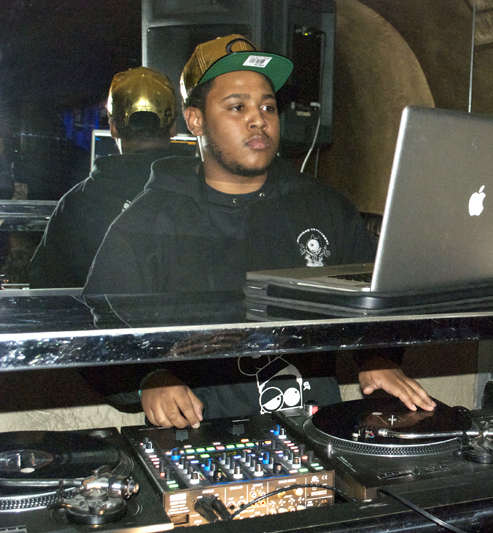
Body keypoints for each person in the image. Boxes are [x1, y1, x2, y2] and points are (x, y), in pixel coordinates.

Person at [83, 35, 435, 428]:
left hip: (318, 432)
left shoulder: (324, 207)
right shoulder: (147, 223)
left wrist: (377, 358)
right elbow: (96, 329)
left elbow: (377, 299)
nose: (259, 120)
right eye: (237, 107)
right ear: (195, 120)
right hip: (203, 434)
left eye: (268, 106)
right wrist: (149, 379)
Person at [29, 67, 179, 288]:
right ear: (174, 127)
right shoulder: (209, 191)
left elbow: (45, 288)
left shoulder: (75, 203)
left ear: (113, 127)